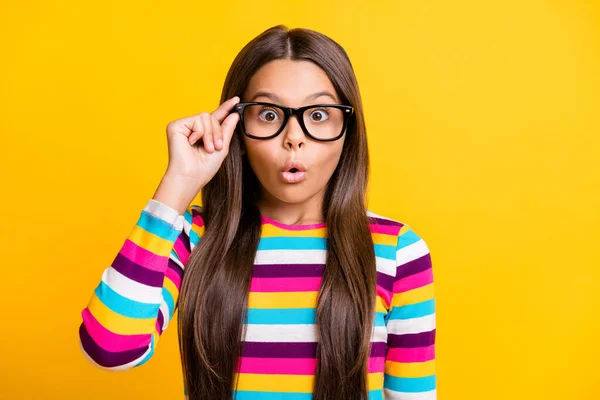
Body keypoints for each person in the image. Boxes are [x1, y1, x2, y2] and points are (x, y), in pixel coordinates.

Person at [78, 24, 437, 400]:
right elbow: (110, 349)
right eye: (268, 115)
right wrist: (179, 183)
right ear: (237, 130)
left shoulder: (398, 251)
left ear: (347, 129)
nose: (293, 137)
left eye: (317, 115)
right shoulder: (196, 237)